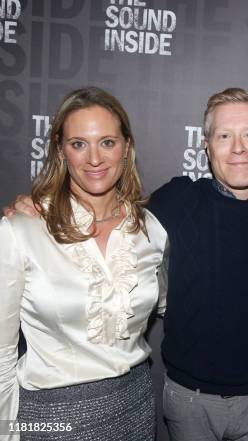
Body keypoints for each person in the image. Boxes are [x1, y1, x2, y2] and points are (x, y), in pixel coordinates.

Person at [0, 87, 168, 440]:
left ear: (126, 147)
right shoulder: (21, 229)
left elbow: (172, 302)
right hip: (51, 419)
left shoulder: (151, 230)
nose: (94, 158)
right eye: (79, 144)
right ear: (61, 149)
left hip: (134, 408)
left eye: (107, 142)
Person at [147, 88, 248, 441]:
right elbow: (107, 212)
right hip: (189, 401)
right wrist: (39, 205)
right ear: (206, 146)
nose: (238, 148)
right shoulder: (178, 199)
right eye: (224, 136)